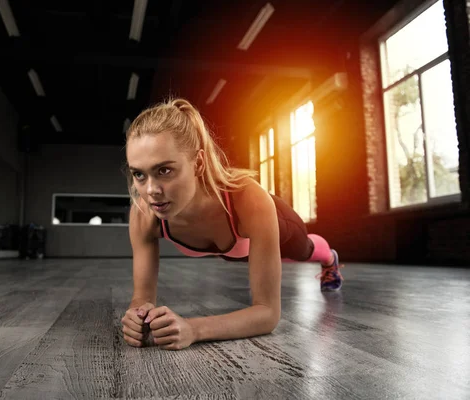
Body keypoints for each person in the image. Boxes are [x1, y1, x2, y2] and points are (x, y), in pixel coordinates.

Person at [121, 98, 344, 351]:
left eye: (164, 171)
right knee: (260, 259)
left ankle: (330, 259)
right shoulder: (143, 214)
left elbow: (268, 314)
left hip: (279, 226)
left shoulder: (250, 200)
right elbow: (141, 297)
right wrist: (137, 316)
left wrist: (194, 329)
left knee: (304, 251)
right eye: (139, 174)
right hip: (236, 252)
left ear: (199, 163)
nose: (151, 191)